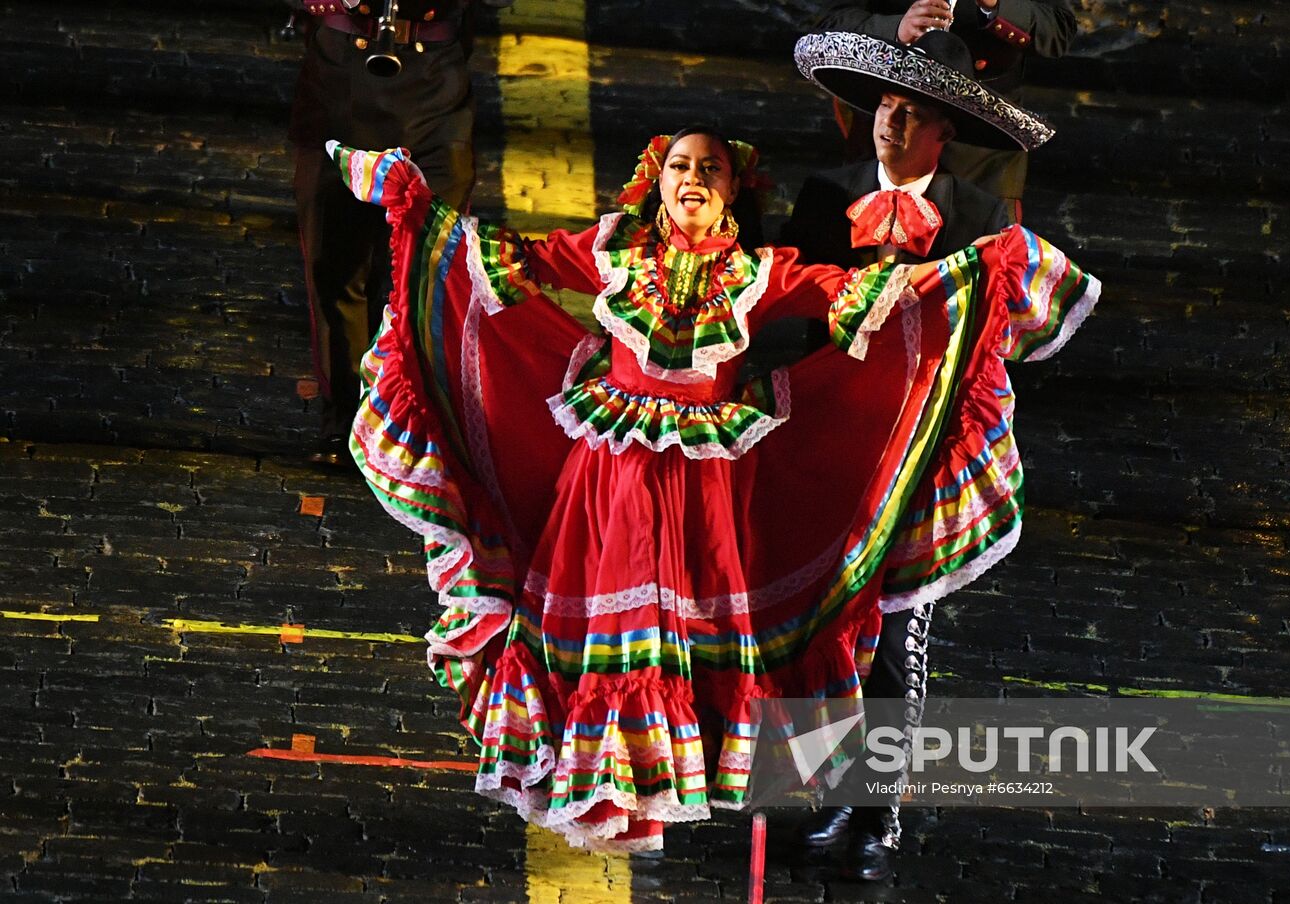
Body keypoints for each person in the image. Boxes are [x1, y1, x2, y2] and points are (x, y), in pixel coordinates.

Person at [328, 123, 1098, 853]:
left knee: (696, 639)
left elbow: (859, 294)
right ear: (654, 183)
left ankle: (775, 793)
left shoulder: (760, 272)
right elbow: (510, 259)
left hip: (710, 487)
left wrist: (972, 271)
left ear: (734, 190)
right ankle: (613, 790)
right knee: (619, 635)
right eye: (680, 166)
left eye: (711, 168)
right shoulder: (611, 249)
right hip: (615, 474)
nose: (694, 178)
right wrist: (419, 213)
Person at [788, 28, 1066, 880]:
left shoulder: (979, 219)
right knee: (827, 630)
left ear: (945, 132)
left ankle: (883, 815)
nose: (892, 120)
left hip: (920, 455)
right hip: (832, 446)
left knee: (898, 632)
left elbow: (1001, 339)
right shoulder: (823, 195)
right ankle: (832, 792)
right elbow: (788, 322)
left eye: (913, 112)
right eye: (886, 104)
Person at [289, 0, 479, 466]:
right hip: (338, 81)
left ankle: (411, 422)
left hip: (434, 84)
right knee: (335, 269)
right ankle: (346, 424)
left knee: (426, 272)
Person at [814, 0, 1077, 219]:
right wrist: (896, 29)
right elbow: (830, 22)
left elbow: (1057, 32)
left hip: (981, 148)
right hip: (884, 136)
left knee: (979, 267)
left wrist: (996, 4)